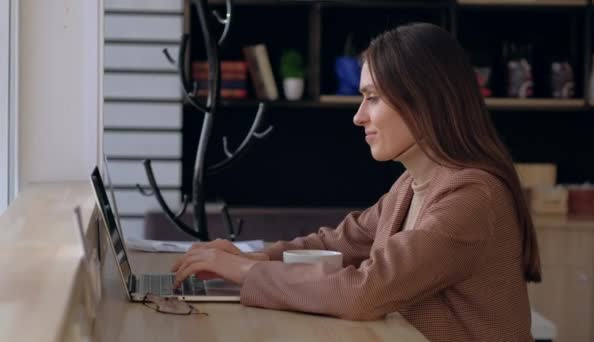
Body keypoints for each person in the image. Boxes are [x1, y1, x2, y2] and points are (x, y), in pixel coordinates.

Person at [172, 23, 541, 342]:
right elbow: (337, 244)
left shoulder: (472, 197)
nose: (358, 117)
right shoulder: (410, 186)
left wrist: (247, 272)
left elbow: (366, 290)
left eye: (373, 98)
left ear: (425, 101)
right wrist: (249, 257)